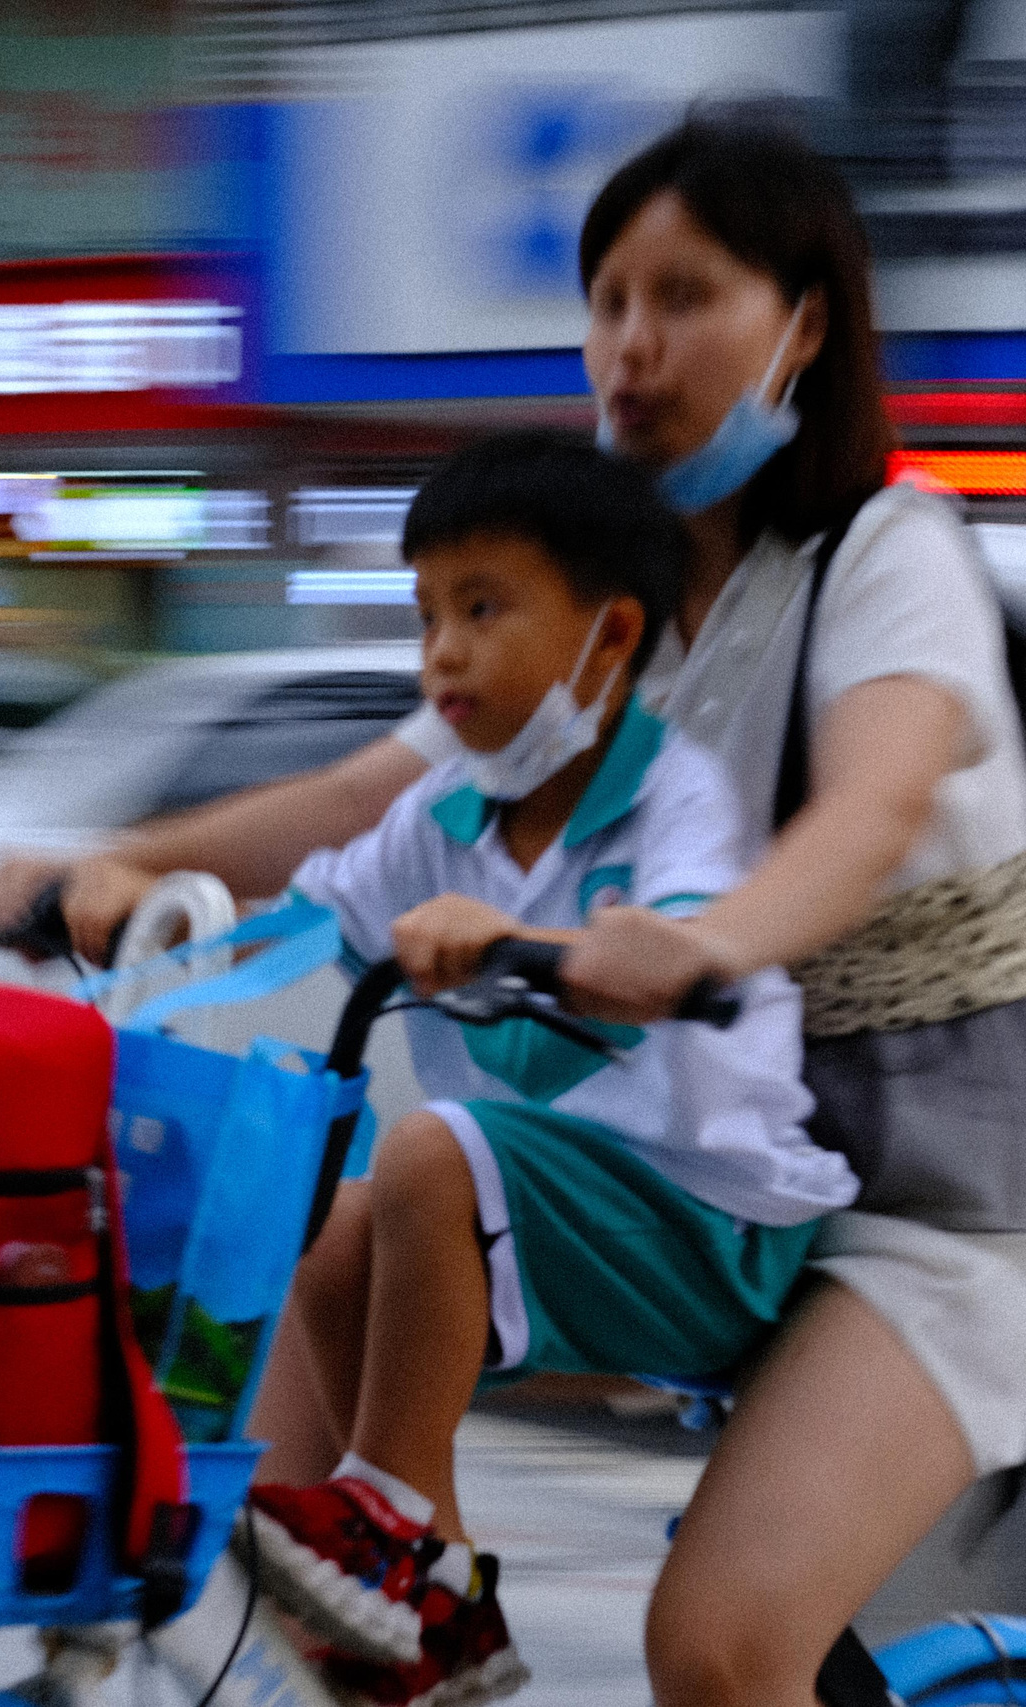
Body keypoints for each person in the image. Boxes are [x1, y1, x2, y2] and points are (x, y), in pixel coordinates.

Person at [0, 118, 1026, 1707]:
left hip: (940, 1197)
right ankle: (380, 1620)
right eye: (605, 300)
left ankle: (413, 1575)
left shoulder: (890, 551)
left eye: (685, 295)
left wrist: (705, 939)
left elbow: (868, 811)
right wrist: (100, 862)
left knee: (719, 1650)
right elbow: (370, 797)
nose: (631, 345)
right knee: (294, 1419)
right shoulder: (610, 617)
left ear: (804, 324)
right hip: (685, 1165)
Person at [95, 431, 857, 1707]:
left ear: (609, 639)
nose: (440, 649)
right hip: (557, 1227)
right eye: (427, 613)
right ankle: (358, 1586)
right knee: (328, 1225)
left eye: (483, 608)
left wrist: (530, 942)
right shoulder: (440, 816)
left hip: (711, 1226)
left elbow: (676, 942)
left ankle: (412, 1548)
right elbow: (301, 917)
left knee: (428, 1150)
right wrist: (127, 895)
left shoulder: (678, 797)